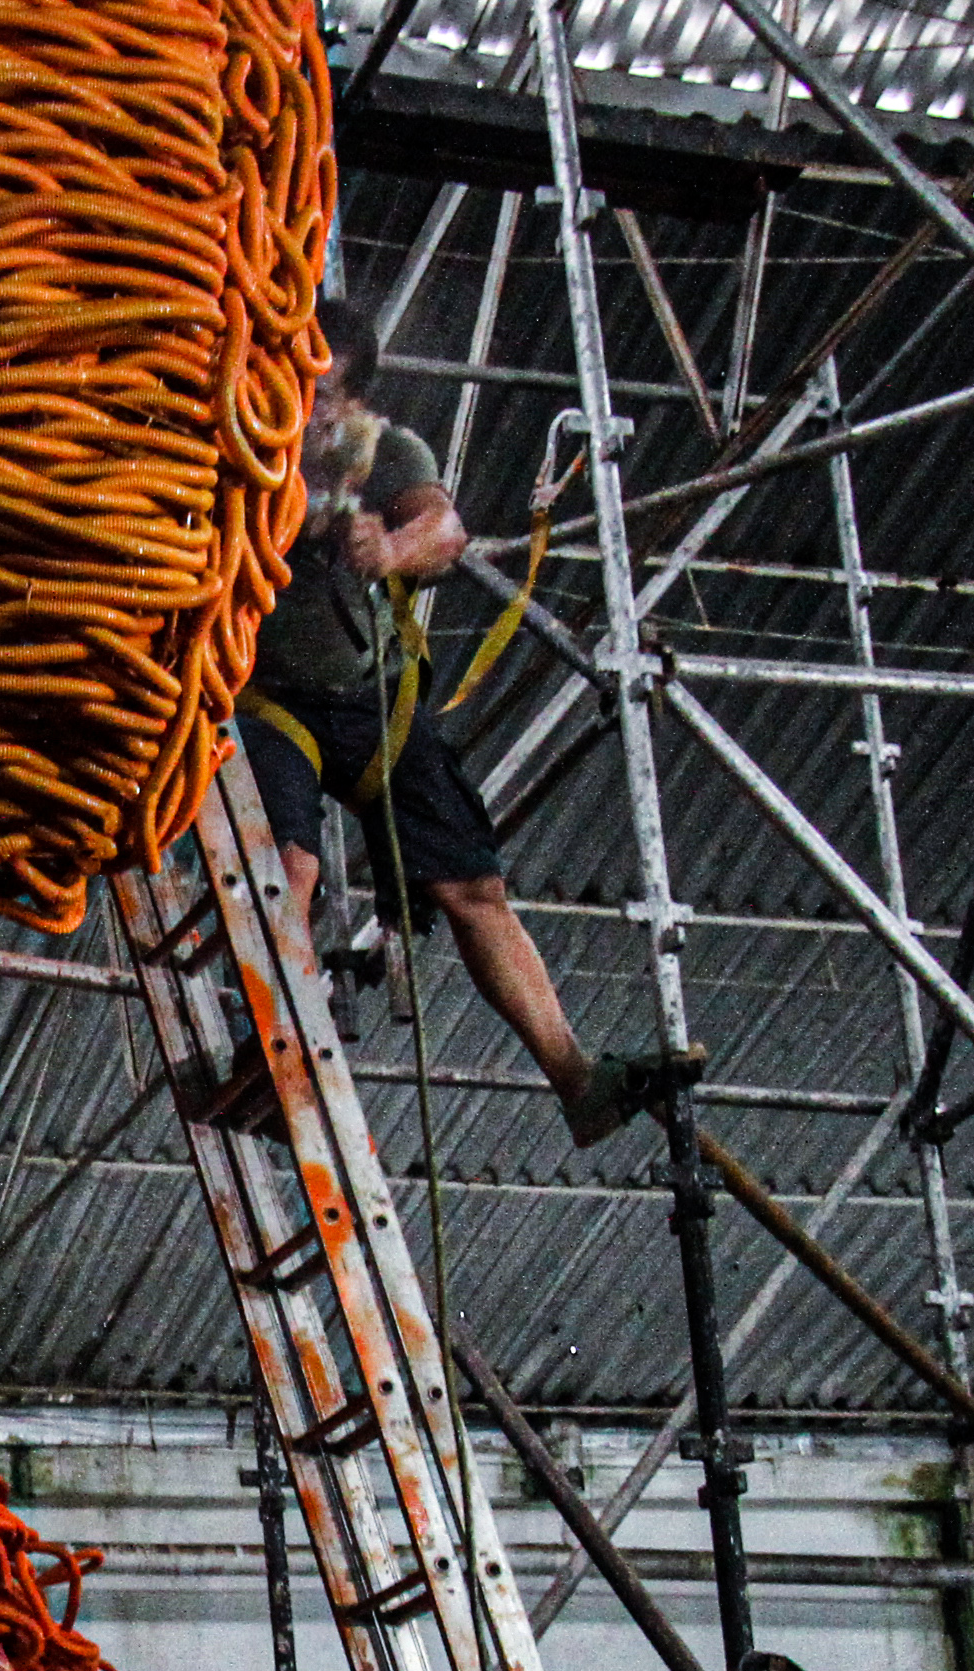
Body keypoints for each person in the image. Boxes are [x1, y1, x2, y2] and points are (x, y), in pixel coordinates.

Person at [240, 300, 686, 1156]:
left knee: (474, 889)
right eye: (294, 381)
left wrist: (391, 551)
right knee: (286, 870)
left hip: (370, 697)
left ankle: (573, 1078)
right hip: (270, 698)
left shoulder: (384, 454)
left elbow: (443, 527)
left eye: (323, 391)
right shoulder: (246, 440)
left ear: (355, 398)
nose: (304, 403)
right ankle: (271, 1048)